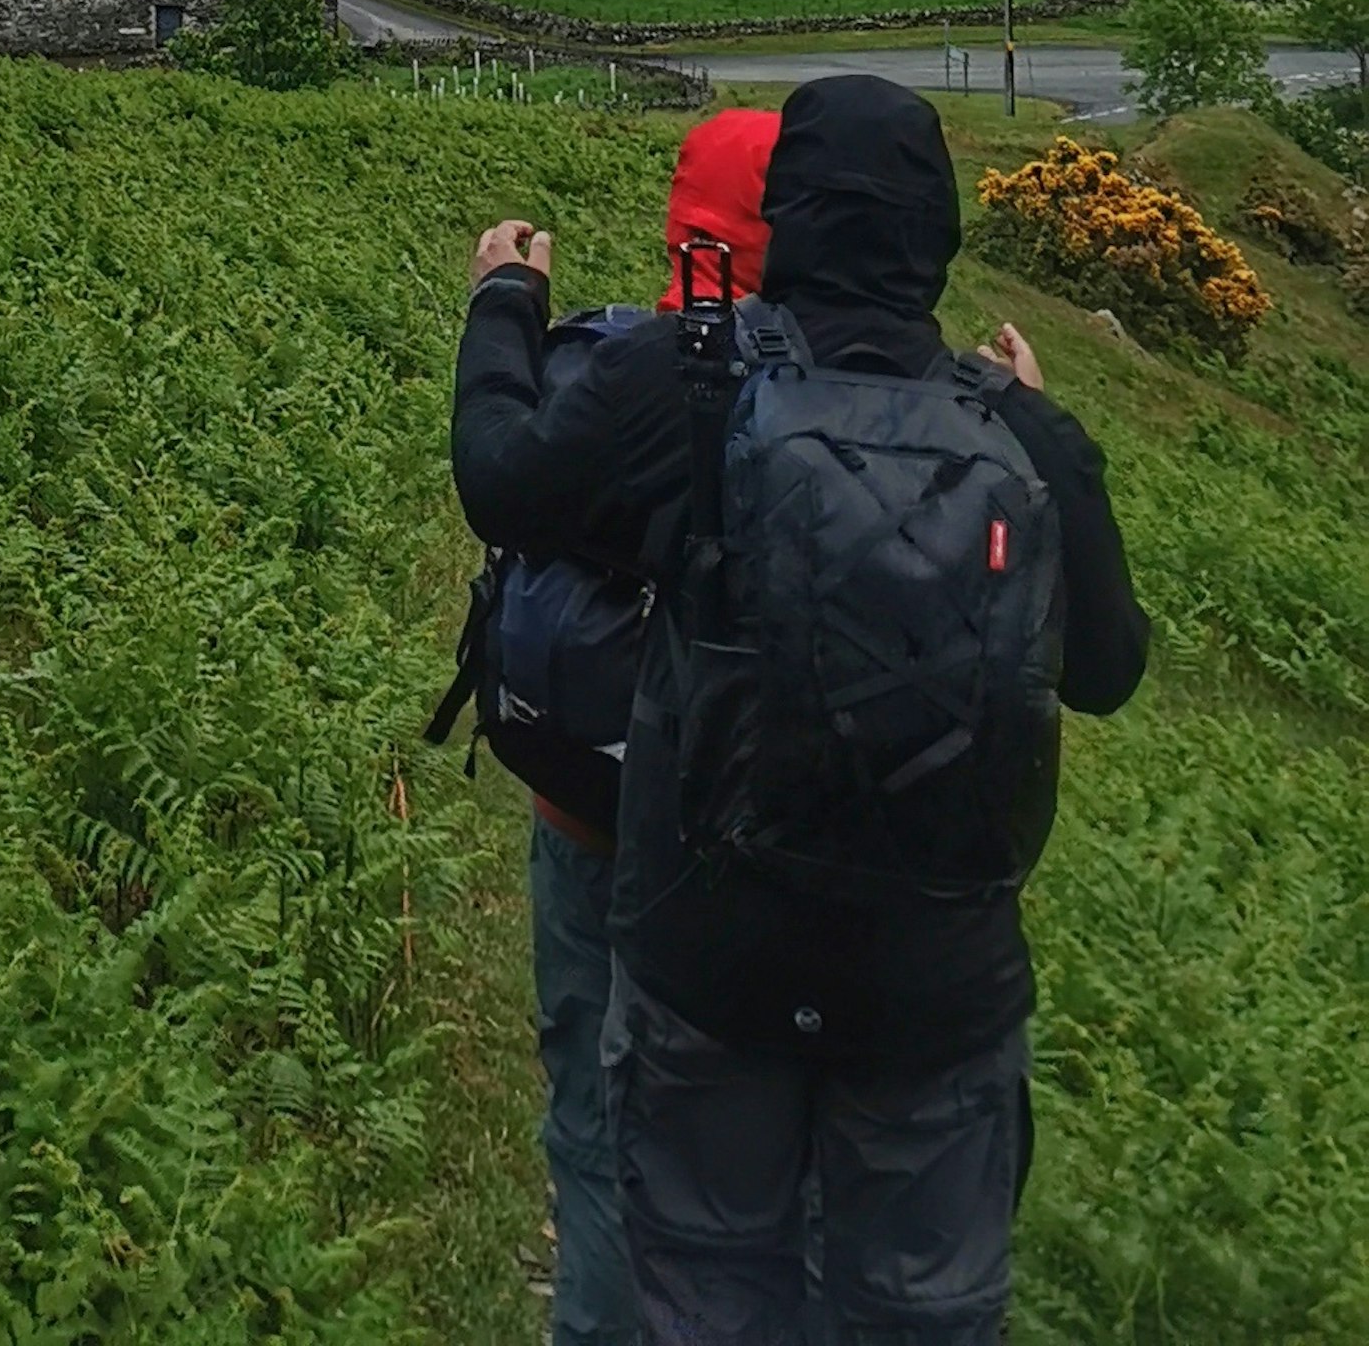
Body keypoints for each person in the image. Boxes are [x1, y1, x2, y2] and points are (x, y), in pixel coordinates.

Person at [453, 76, 1148, 1340]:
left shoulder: (689, 380)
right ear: (936, 232)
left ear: (790, 215)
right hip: (936, 989)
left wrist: (504, 307)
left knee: (707, 1296)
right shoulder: (1024, 436)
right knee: (911, 1317)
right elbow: (1108, 669)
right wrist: (1039, 414)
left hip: (711, 962)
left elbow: (503, 484)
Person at [438, 106, 783, 1346]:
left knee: (595, 1130)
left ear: (681, 219)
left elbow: (497, 474)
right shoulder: (853, 386)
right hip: (770, 844)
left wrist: (504, 305)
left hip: (590, 814)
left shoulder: (628, 366)